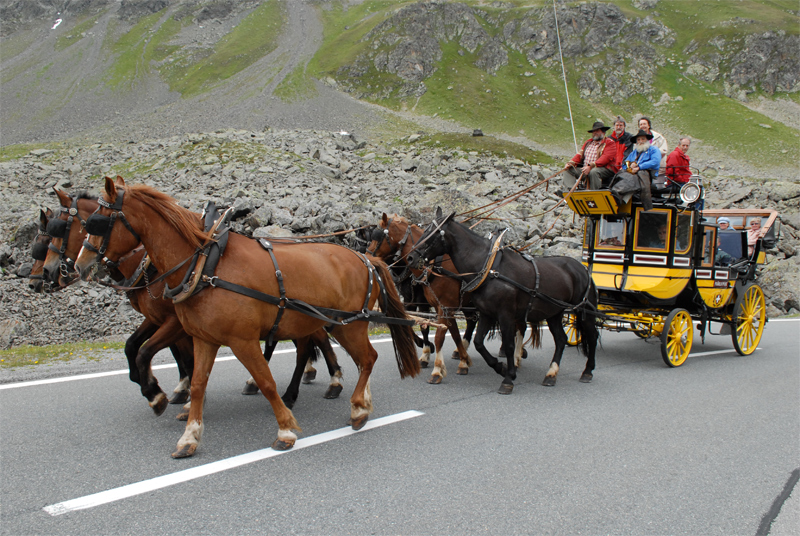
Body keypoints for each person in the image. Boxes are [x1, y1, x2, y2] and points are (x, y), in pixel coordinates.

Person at [610, 129, 661, 210]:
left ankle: (618, 192)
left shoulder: (654, 149)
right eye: (639, 139)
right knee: (621, 174)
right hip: (631, 172)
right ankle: (616, 196)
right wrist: (630, 166)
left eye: (643, 139)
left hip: (646, 173)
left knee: (633, 178)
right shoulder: (634, 152)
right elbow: (625, 164)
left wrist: (639, 167)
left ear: (647, 140)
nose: (641, 141)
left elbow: (655, 161)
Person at [559, 121, 617, 191]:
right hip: (586, 168)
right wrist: (571, 163)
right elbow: (579, 155)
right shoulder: (588, 142)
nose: (595, 132)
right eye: (594, 131)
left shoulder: (610, 143)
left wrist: (591, 166)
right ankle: (570, 192)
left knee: (594, 172)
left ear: (603, 132)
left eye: (597, 130)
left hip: (604, 169)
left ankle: (594, 194)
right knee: (568, 170)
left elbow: (606, 158)